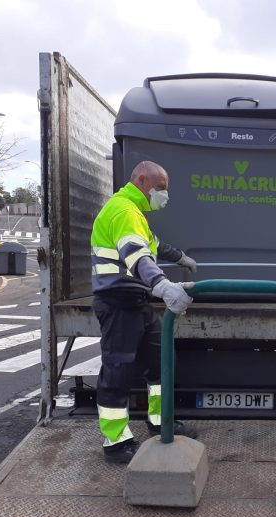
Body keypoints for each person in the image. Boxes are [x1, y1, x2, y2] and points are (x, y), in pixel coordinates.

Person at [91, 160, 198, 463]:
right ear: (142, 180)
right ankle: (116, 442)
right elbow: (137, 255)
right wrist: (163, 285)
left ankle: (160, 422)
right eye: (160, 188)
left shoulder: (135, 212)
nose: (164, 195)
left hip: (137, 301)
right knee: (118, 371)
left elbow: (152, 244)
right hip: (117, 301)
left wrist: (180, 257)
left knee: (160, 362)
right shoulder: (123, 211)